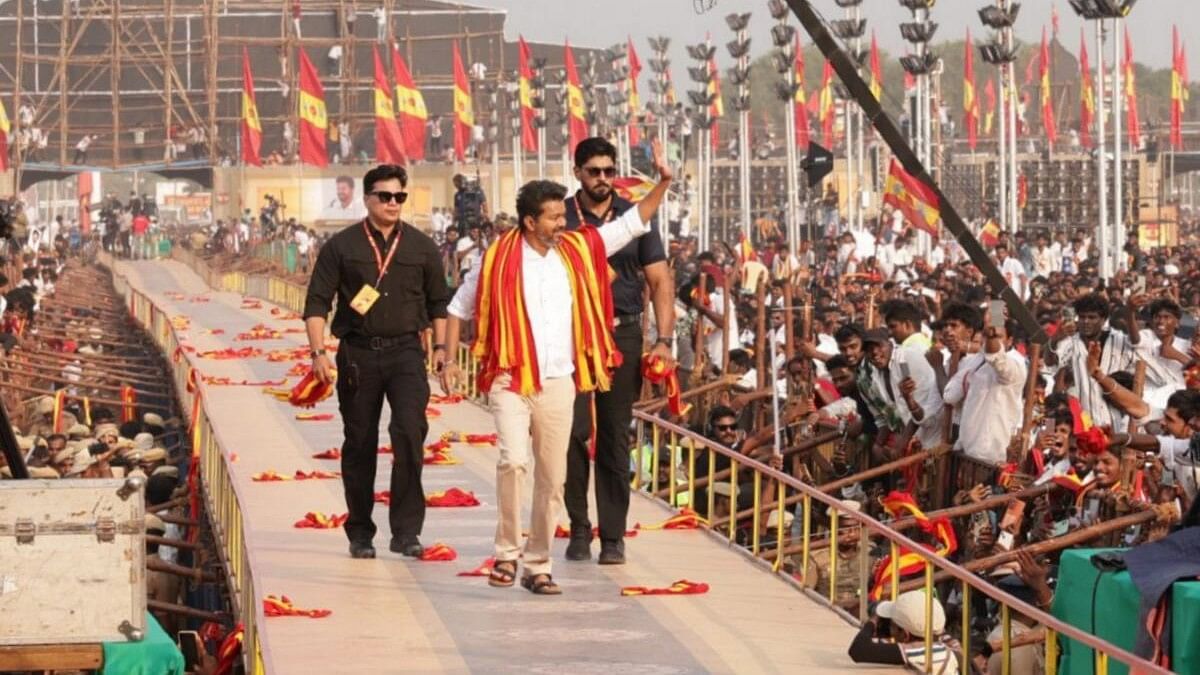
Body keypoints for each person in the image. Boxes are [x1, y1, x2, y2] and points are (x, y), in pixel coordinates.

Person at [440, 143, 672, 595]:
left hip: (559, 380)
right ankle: (506, 553)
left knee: (552, 477)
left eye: (562, 218)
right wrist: (449, 360)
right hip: (510, 377)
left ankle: (537, 563)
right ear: (531, 222)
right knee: (512, 460)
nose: (562, 224)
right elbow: (457, 308)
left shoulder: (579, 249)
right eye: (553, 218)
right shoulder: (496, 258)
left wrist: (662, 182)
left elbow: (634, 221)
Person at [302, 164, 450, 560]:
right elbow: (316, 303)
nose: (392, 204)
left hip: (406, 353)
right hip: (358, 354)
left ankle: (406, 532)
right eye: (385, 196)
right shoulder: (342, 247)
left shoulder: (421, 247)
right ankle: (360, 531)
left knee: (409, 435)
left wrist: (441, 350)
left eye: (399, 197)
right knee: (360, 442)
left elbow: (440, 303)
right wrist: (317, 353)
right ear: (367, 199)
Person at [561, 136, 676, 565]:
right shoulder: (562, 217)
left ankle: (612, 536)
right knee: (573, 432)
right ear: (577, 173)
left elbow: (660, 280)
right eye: (594, 171)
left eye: (609, 171)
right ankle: (577, 528)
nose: (604, 179)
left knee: (613, 435)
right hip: (572, 337)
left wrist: (664, 341)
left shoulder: (635, 217)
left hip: (622, 334)